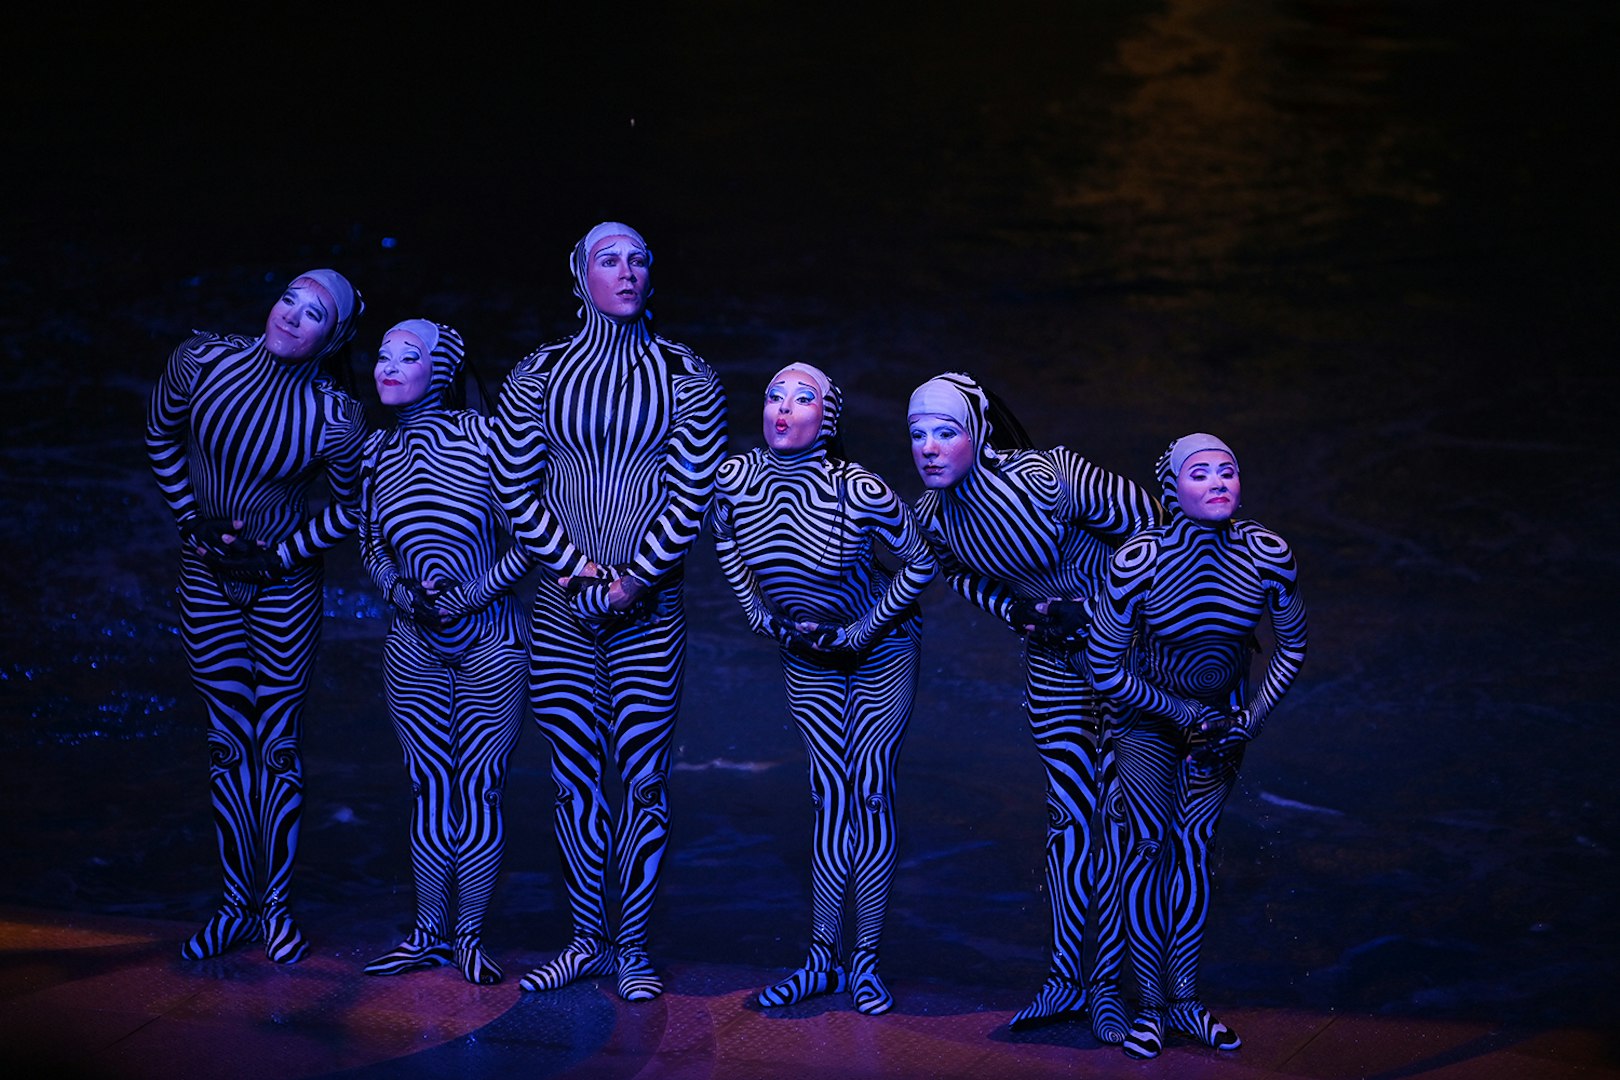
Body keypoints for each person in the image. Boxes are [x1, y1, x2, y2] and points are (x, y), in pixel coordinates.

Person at [491, 222, 727, 1001]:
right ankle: (586, 938)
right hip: (563, 607)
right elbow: (515, 487)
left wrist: (632, 580)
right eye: (608, 260)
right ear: (579, 275)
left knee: (644, 779)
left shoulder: (688, 376)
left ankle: (633, 946)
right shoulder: (537, 374)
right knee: (573, 780)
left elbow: (692, 494)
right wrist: (573, 567)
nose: (625, 272)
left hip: (649, 611)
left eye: (638, 260)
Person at [906, 372, 1159, 1040]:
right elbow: (960, 575)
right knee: (1067, 819)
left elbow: (1152, 528)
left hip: (1122, 655)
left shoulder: (1050, 478)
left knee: (1117, 817)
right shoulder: (931, 519)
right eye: (917, 434)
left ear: (979, 433)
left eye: (945, 431)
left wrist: (1107, 612)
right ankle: (1065, 978)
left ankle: (1110, 986)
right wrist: (1015, 607)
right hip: (1051, 660)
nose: (929, 448)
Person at [145, 269, 366, 963]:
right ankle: (235, 903)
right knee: (224, 743)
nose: (294, 317)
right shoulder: (200, 361)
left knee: (276, 748)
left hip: (283, 589)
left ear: (336, 337)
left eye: (315, 315)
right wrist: (193, 525)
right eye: (289, 300)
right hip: (207, 576)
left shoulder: (335, 418)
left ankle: (275, 908)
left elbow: (355, 508)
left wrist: (281, 555)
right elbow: (159, 438)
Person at [711, 363, 937, 1015]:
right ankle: (819, 958)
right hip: (806, 652)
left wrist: (864, 628)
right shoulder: (734, 479)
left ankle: (863, 960)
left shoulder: (861, 490)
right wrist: (757, 613)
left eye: (802, 398)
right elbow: (724, 541)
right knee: (828, 795)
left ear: (826, 418)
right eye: (774, 395)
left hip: (880, 651)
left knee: (868, 790)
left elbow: (920, 563)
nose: (783, 407)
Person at [1085, 433, 1307, 1059]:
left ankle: (1184, 999)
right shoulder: (1139, 560)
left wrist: (1251, 718)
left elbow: (1291, 645)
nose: (1217, 482)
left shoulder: (1269, 555)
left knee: (1193, 849)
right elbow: (1106, 669)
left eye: (1228, 471)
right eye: (1200, 473)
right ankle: (1149, 1006)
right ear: (1171, 490)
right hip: (1148, 719)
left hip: (1223, 725)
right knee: (1147, 848)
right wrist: (1181, 710)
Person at [358, 320, 531, 985]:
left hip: (490, 638)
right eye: (382, 355)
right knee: (429, 788)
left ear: (445, 369)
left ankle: (468, 935)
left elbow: (530, 541)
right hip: (413, 640)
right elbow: (370, 543)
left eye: (409, 356)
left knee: (479, 788)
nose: (388, 367)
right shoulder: (376, 452)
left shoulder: (488, 441)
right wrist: (401, 591)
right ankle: (428, 932)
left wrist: (470, 594)